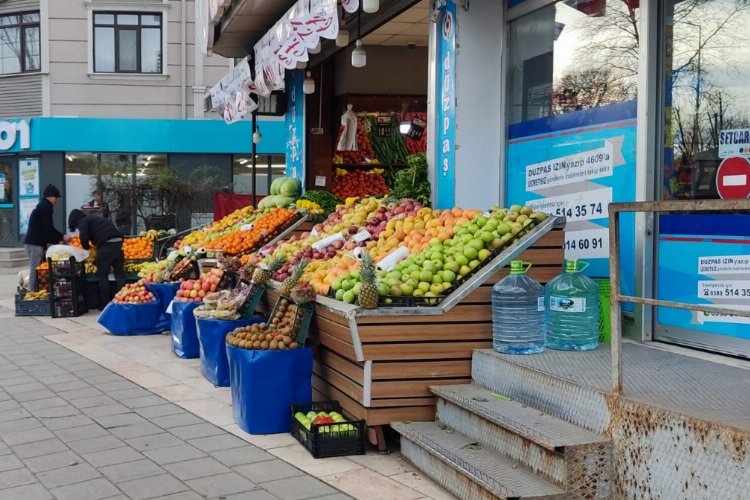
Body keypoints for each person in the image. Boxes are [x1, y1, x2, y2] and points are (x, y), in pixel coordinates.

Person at [68, 209, 126, 310]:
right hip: (119, 243)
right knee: (120, 274)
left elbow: (84, 237)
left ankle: (105, 304)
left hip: (106, 246)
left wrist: (86, 248)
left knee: (102, 275)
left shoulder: (83, 221)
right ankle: (122, 300)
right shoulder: (97, 219)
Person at [24, 185, 67, 292]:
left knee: (40, 270)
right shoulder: (46, 207)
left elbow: (45, 230)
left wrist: (57, 240)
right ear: (51, 197)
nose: (57, 200)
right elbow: (48, 228)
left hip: (34, 243)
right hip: (35, 244)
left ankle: (39, 291)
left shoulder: (41, 206)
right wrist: (61, 237)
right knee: (36, 270)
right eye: (56, 197)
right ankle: (32, 294)